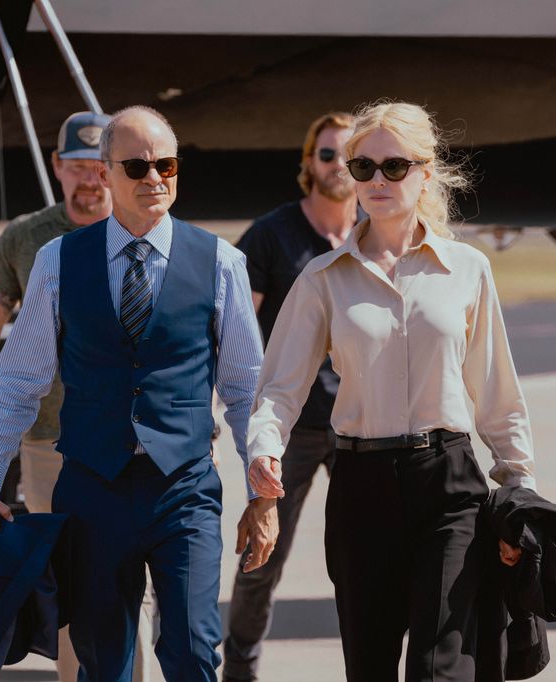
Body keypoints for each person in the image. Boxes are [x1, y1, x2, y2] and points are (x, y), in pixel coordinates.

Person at [0, 106, 275, 681]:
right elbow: (18, 382)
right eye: (136, 166)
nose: (155, 177)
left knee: (192, 650)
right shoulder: (58, 262)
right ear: (105, 175)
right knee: (103, 661)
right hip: (90, 489)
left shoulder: (221, 262)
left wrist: (263, 482)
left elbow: (243, 388)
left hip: (182, 488)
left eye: (167, 164)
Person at [245, 102, 535, 681]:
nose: (377, 181)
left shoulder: (469, 270)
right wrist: (262, 451)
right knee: (370, 668)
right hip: (360, 490)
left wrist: (521, 490)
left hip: (449, 486)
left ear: (426, 172)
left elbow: (497, 391)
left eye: (394, 166)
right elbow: (278, 388)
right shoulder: (321, 278)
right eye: (363, 167)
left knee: (439, 669)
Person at [0, 110, 160, 682]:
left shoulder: (146, 226)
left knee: (133, 586)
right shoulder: (26, 236)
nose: (88, 181)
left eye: (97, 168)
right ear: (57, 167)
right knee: (71, 583)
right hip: (49, 440)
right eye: (75, 167)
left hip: (133, 439)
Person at [222, 111, 358, 682]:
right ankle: (240, 666)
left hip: (362, 425)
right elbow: (230, 326)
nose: (338, 166)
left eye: (349, 156)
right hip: (294, 426)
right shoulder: (273, 234)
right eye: (326, 155)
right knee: (263, 555)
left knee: (367, 559)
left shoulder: (375, 233)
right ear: (308, 163)